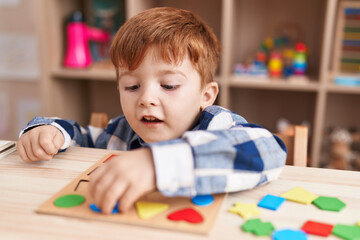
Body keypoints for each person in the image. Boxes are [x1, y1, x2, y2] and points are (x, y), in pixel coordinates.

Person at [17, 7, 287, 214]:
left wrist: (157, 164)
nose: (146, 98)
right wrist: (48, 131)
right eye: (132, 86)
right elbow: (81, 135)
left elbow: (269, 149)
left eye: (168, 85)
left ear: (206, 96)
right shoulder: (120, 132)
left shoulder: (216, 124)